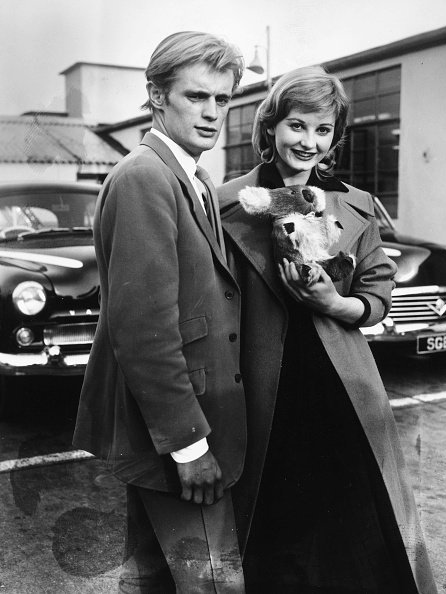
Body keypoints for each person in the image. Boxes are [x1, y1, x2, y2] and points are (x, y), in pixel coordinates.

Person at [218, 66, 438, 593]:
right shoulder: (225, 201)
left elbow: (378, 296)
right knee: (272, 532)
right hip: (263, 389)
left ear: (336, 138)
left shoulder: (354, 203)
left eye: (323, 131)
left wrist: (335, 302)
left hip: (341, 388)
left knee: (353, 534)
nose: (308, 142)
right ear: (270, 126)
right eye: (297, 126)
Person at [73, 31, 247, 593]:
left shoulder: (190, 176)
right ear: (156, 96)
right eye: (197, 97)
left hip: (175, 429)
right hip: (181, 436)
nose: (212, 113)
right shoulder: (146, 177)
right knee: (215, 583)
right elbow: (143, 330)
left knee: (152, 581)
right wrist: (190, 446)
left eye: (222, 99)